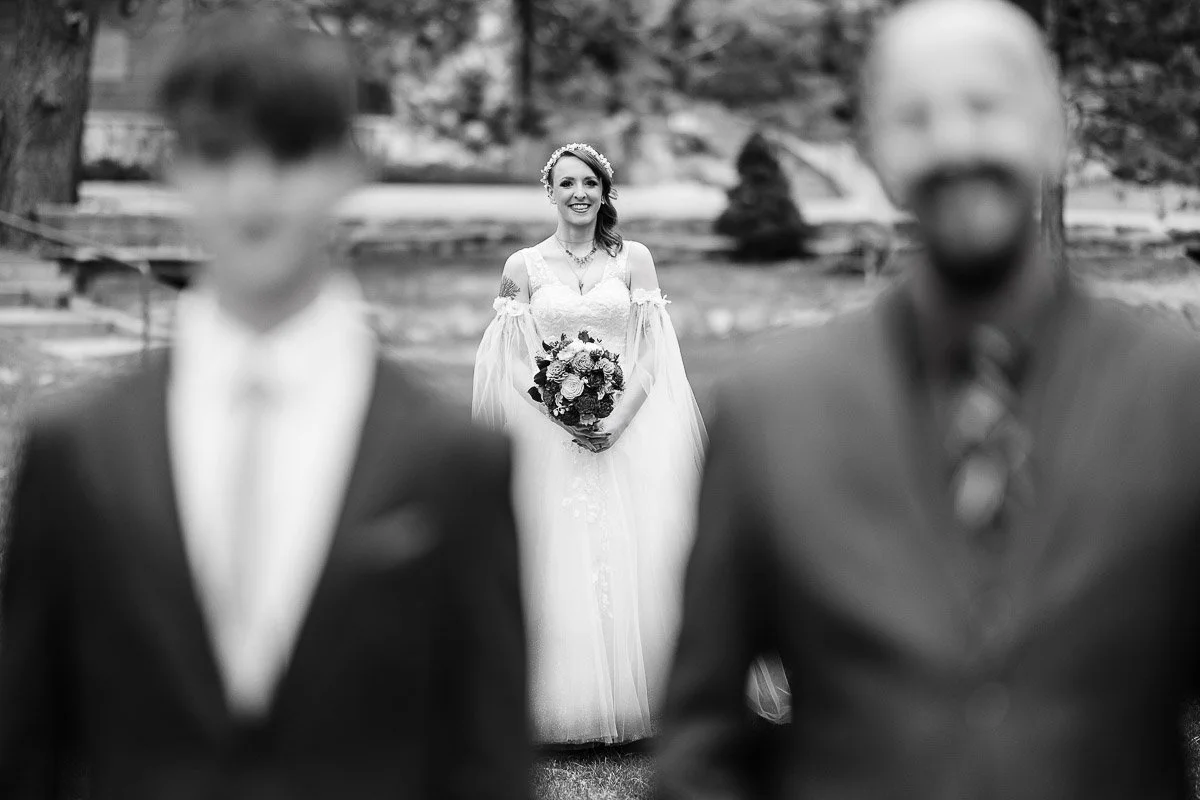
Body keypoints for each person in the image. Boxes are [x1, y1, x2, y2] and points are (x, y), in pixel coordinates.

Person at [658, 0, 1200, 798]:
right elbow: (700, 745)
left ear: (1059, 130)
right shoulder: (772, 409)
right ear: (876, 151)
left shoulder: (1178, 393)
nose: (954, 144)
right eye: (916, 117)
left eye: (987, 106)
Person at [0, 10, 530, 800]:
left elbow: (486, 759)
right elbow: (26, 753)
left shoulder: (454, 456)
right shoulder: (77, 446)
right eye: (218, 154)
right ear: (174, 168)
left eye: (287, 153)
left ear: (349, 166)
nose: (252, 192)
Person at [472, 143, 788, 746]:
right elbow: (510, 360)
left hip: (631, 429)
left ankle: (654, 697)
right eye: (567, 183)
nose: (579, 194)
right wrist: (560, 412)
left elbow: (649, 353)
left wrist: (616, 419)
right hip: (552, 435)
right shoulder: (523, 268)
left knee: (647, 551)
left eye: (589, 182)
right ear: (550, 192)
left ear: (604, 191)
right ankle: (561, 703)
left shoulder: (634, 260)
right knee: (556, 558)